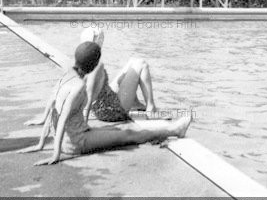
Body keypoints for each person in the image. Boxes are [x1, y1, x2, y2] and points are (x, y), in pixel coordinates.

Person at [18, 42, 191, 165]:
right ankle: (175, 129)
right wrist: (56, 155)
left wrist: (41, 143)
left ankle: (166, 128)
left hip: (74, 136)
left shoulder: (66, 76)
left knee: (122, 130)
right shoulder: (78, 85)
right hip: (77, 142)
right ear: (94, 65)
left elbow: (51, 107)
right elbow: (62, 117)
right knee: (129, 135)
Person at [24, 28, 157, 125]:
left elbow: (57, 90)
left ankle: (135, 103)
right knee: (141, 63)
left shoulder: (79, 60)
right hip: (112, 110)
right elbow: (89, 94)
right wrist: (85, 124)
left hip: (103, 103)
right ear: (98, 42)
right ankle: (151, 108)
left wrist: (43, 118)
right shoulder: (96, 66)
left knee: (132, 62)